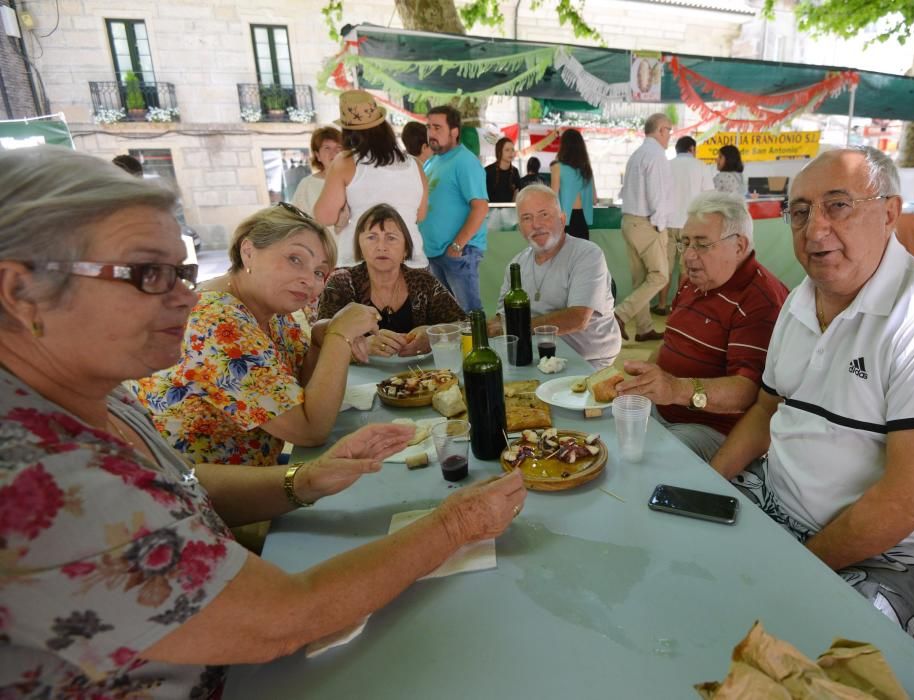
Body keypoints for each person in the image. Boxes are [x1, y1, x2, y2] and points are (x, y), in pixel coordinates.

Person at [0, 145, 526, 700]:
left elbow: (186, 484)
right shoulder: (35, 479)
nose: (187, 297)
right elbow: (283, 617)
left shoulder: (88, 396)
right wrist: (454, 526)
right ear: (20, 292)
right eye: (149, 274)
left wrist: (304, 480)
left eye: (180, 271)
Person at [710, 146, 914, 640]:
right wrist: (709, 486)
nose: (814, 230)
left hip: (895, 557)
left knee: (794, 649)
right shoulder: (799, 300)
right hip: (774, 502)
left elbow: (912, 500)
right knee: (678, 558)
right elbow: (766, 411)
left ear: (890, 213)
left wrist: (793, 568)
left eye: (838, 205)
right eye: (799, 212)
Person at [137, 202, 379, 467]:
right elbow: (310, 430)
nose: (309, 281)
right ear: (248, 252)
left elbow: (301, 392)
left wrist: (321, 340)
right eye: (295, 259)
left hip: (258, 468)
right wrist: (339, 337)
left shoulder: (271, 311)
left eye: (319, 272)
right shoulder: (216, 322)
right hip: (204, 496)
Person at [616, 192, 787, 461]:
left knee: (645, 461)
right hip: (664, 409)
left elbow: (747, 390)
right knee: (605, 437)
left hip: (713, 430)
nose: (688, 257)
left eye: (702, 244)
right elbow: (670, 343)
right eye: (685, 243)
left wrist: (675, 389)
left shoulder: (760, 300)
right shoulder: (695, 282)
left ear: (739, 246)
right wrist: (644, 383)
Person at [489, 184, 621, 369]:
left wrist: (514, 329)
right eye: (527, 218)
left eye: (544, 214)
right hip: (538, 357)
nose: (536, 224)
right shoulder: (516, 265)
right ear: (520, 229)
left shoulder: (587, 254)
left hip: (588, 359)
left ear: (562, 219)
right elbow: (502, 317)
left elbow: (578, 318)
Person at [319, 204, 466, 358]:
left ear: (406, 248)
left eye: (391, 238)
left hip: (418, 377)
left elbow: (466, 325)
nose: (381, 247)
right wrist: (361, 346)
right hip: (355, 379)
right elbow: (319, 341)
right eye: (372, 237)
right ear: (359, 246)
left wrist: (433, 335)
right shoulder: (341, 283)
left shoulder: (424, 282)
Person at [314, 90, 429, 269]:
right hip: (410, 261)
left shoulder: (345, 162)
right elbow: (420, 215)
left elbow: (324, 216)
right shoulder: (415, 165)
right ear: (384, 127)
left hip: (361, 262)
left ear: (347, 132)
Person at [419, 105, 489, 311]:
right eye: (429, 127)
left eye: (437, 128)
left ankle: (479, 345)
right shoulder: (432, 162)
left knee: (469, 316)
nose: (431, 133)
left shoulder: (465, 161)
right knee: (448, 319)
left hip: (457, 253)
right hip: (435, 254)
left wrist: (457, 247)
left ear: (454, 131)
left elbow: (480, 208)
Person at [615, 113, 674, 343]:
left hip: (630, 221)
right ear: (660, 130)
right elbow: (657, 196)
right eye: (669, 129)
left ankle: (644, 328)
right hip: (647, 223)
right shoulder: (656, 156)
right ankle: (620, 315)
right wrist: (660, 227)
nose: (670, 135)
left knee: (641, 280)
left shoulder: (637, 154)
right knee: (660, 275)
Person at [655, 135, 715, 315]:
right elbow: (709, 197)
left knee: (665, 267)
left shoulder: (666, 166)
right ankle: (680, 305)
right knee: (686, 268)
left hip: (666, 225)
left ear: (677, 149)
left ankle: (661, 305)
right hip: (690, 226)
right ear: (692, 149)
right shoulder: (701, 166)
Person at [550, 129, 595, 241]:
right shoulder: (586, 169)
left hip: (565, 222)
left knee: (563, 257)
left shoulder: (557, 167)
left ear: (563, 146)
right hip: (582, 221)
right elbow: (594, 199)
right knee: (582, 257)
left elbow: (552, 198)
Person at [291, 126, 343, 215]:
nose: (334, 152)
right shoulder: (307, 185)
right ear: (317, 155)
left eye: (338, 147)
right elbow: (296, 218)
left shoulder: (355, 180)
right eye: (327, 148)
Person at [485, 137, 520, 203]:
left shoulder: (515, 171)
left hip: (509, 211)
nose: (511, 152)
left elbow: (517, 193)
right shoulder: (488, 171)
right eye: (507, 150)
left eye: (512, 150)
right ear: (499, 152)